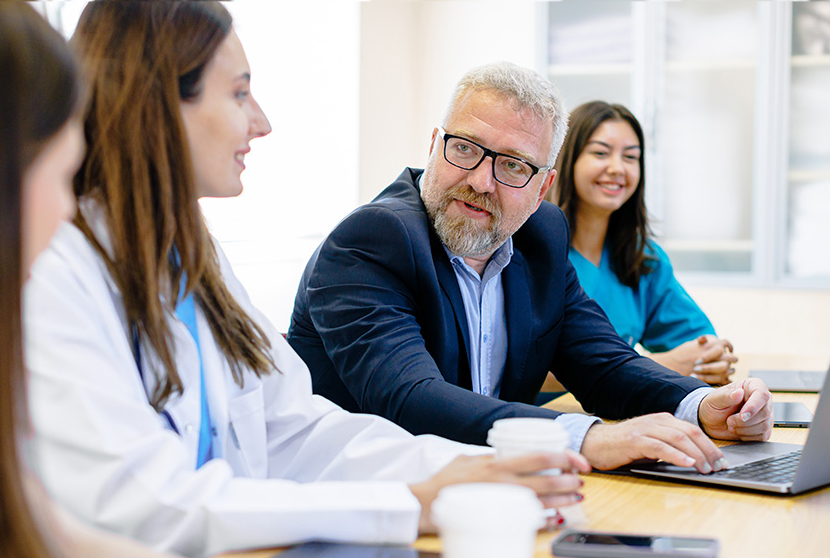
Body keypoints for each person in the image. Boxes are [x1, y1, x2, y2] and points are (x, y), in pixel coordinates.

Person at [0, 2, 423, 558]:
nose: (68, 211)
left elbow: (41, 542)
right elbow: (136, 505)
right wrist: (402, 502)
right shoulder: (55, 278)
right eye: (56, 177)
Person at [22, 0, 587, 558]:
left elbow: (294, 427)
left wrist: (465, 471)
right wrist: (409, 503)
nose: (261, 122)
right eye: (239, 93)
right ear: (158, 106)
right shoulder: (56, 275)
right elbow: (149, 505)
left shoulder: (195, 259)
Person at [288, 62, 774, 473]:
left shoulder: (540, 237)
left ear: (542, 187)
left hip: (494, 491)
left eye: (514, 165)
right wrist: (585, 438)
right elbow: (411, 398)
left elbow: (603, 364)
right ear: (435, 145)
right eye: (464, 148)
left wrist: (705, 405)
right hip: (376, 510)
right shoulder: (372, 239)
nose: (480, 180)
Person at [548, 101, 737, 386]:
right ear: (567, 160)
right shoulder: (530, 251)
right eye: (600, 153)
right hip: (541, 421)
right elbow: (520, 369)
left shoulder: (642, 258)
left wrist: (711, 359)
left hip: (619, 417)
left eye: (631, 157)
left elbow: (701, 344)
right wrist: (661, 365)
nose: (617, 168)